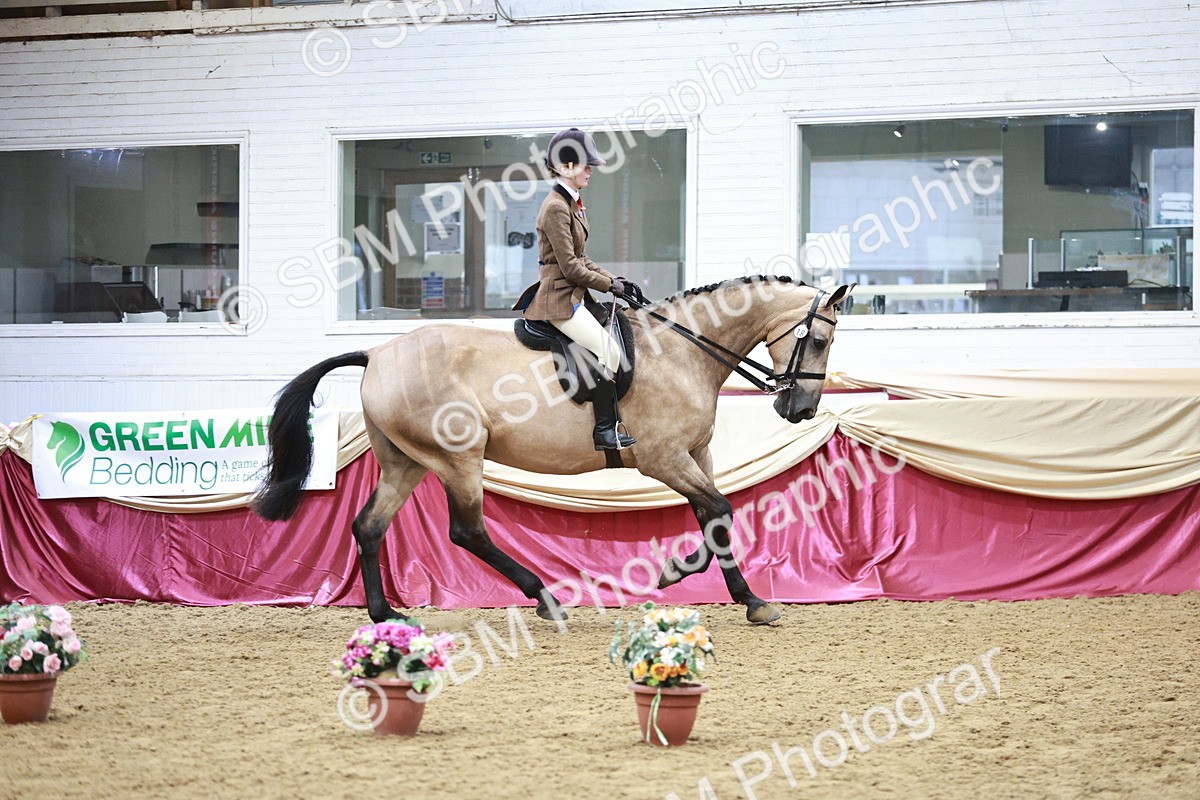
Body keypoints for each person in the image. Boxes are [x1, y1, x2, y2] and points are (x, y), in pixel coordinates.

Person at [512, 128, 644, 451]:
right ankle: (604, 430)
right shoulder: (556, 207)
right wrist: (608, 285)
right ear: (566, 166)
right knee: (609, 352)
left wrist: (616, 281)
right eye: (586, 165)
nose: (591, 171)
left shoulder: (571, 203)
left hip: (573, 294)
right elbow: (570, 267)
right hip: (559, 300)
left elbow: (582, 258)